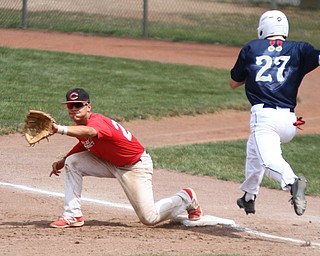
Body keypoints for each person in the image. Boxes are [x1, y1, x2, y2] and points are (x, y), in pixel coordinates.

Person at [49, 87, 202, 228]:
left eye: (78, 105)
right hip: (110, 163)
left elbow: (89, 132)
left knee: (149, 218)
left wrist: (59, 129)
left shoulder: (96, 122)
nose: (74, 109)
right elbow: (85, 143)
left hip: (134, 167)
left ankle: (186, 198)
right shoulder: (80, 128)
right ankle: (73, 215)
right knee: (72, 162)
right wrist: (63, 160)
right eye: (70, 106)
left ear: (88, 106)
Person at [229, 10, 319, 216]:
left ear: (263, 29)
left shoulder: (252, 47)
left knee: (268, 160)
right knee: (253, 148)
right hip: (290, 122)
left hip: (265, 118)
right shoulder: (300, 49)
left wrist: (254, 75)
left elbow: (233, 82)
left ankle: (292, 181)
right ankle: (248, 197)